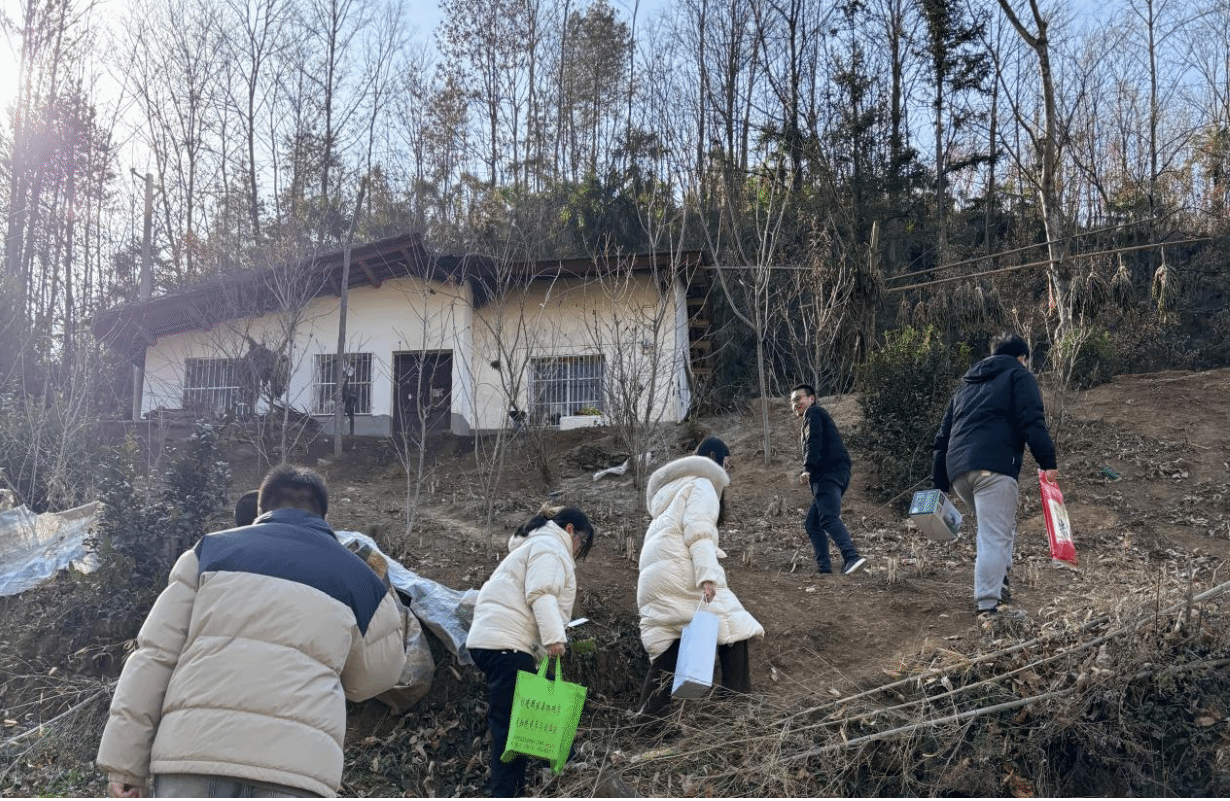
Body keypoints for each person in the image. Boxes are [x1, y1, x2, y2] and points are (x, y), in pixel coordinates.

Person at [96, 465, 406, 799]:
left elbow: (155, 657)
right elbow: (377, 677)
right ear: (324, 516)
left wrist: (125, 766)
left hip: (192, 757)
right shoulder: (357, 576)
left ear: (261, 509)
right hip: (297, 771)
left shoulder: (207, 552)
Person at [465, 504, 595, 798]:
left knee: (534, 704)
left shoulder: (535, 544)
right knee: (510, 726)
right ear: (570, 530)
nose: (579, 548)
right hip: (506, 644)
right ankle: (508, 792)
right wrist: (554, 638)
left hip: (497, 641)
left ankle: (564, 762)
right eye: (582, 541)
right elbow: (541, 592)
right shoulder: (551, 547)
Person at [931, 334, 1059, 622]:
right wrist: (1047, 462)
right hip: (994, 468)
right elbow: (1031, 419)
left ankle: (1000, 585)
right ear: (1022, 358)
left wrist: (940, 485)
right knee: (994, 536)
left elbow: (942, 438)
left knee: (997, 529)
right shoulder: (1019, 375)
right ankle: (988, 608)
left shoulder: (965, 387)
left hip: (959, 473)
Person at [635, 437, 764, 718]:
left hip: (655, 579)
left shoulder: (671, 494)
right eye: (726, 464)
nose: (727, 471)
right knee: (734, 625)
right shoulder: (702, 483)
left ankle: (649, 720)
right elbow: (699, 533)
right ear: (714, 457)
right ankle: (737, 704)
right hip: (680, 573)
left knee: (670, 644)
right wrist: (707, 576)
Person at [790, 384, 866, 576]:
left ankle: (852, 557)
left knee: (829, 518)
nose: (795, 404)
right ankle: (824, 568)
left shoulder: (813, 413)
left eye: (799, 398)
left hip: (828, 473)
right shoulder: (813, 416)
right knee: (812, 523)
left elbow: (814, 440)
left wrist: (808, 468)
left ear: (811, 399)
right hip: (834, 473)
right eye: (792, 401)